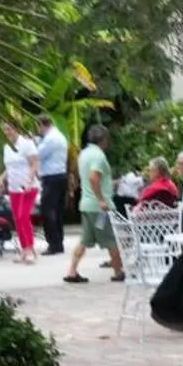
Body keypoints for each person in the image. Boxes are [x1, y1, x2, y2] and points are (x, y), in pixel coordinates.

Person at [63, 124, 122, 283]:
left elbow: (87, 177)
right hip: (99, 208)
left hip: (87, 204)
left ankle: (72, 271)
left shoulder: (84, 153)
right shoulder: (98, 156)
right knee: (112, 240)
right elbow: (93, 177)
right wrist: (102, 199)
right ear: (103, 139)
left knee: (85, 240)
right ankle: (118, 272)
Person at [0, 121, 41, 265]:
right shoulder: (6, 147)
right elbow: (10, 167)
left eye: (9, 129)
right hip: (14, 188)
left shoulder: (26, 144)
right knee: (16, 218)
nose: (6, 132)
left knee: (23, 216)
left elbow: (35, 163)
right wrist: (2, 177)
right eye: (4, 129)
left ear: (16, 129)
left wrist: (29, 180)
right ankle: (24, 249)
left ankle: (30, 249)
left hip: (28, 186)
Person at [33, 114, 70, 254]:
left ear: (42, 125)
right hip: (60, 176)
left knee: (47, 211)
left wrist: (33, 143)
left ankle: (53, 244)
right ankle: (58, 243)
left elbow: (37, 155)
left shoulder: (50, 139)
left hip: (51, 178)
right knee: (58, 211)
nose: (38, 130)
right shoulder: (58, 136)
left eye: (38, 127)